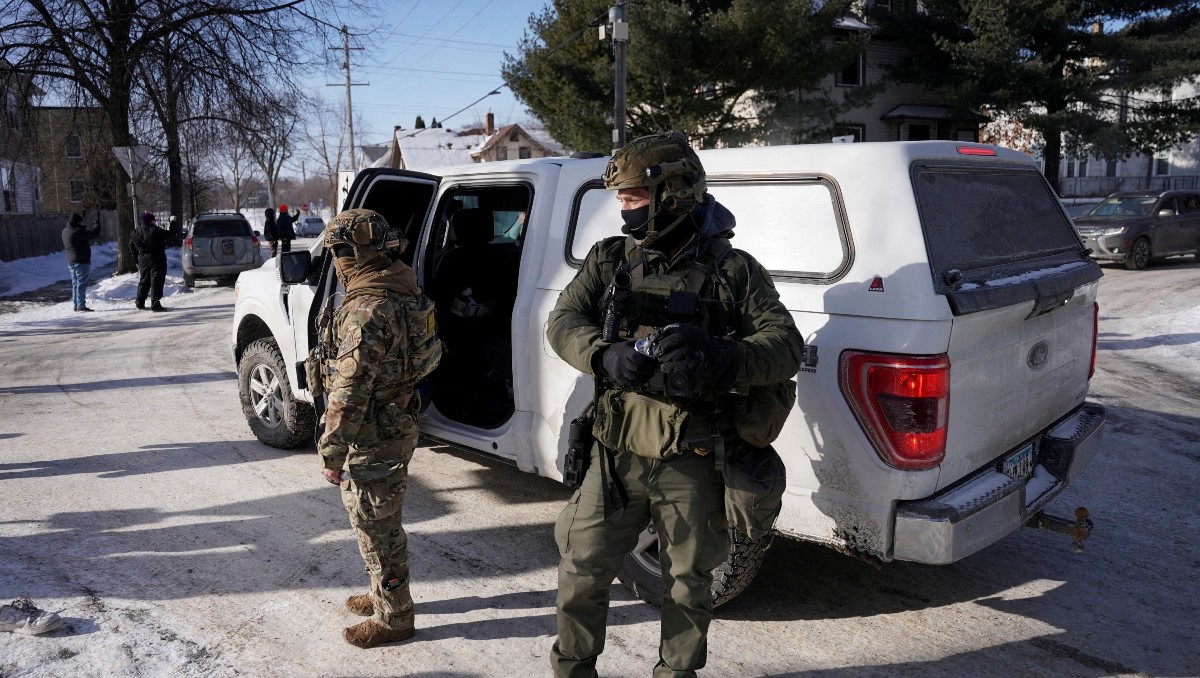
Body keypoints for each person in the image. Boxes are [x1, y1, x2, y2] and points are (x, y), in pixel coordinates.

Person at [546, 131, 804, 677]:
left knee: (687, 585)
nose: (624, 209)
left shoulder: (735, 272)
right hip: (613, 456)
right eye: (620, 197)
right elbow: (563, 321)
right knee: (581, 569)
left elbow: (785, 346)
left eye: (634, 197)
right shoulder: (610, 260)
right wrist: (603, 356)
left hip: (693, 456)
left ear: (675, 195)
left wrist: (722, 355)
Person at [313, 208, 442, 649]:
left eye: (338, 254)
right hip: (397, 420)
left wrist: (331, 451)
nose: (336, 264)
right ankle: (381, 593)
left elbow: (348, 391)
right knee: (380, 518)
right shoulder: (404, 290)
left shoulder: (367, 311)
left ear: (355, 253)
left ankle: (394, 618)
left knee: (376, 526)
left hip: (372, 433)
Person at [61, 212, 102, 312]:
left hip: (71, 260)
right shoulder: (77, 232)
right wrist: (97, 226)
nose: (81, 224)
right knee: (81, 284)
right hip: (81, 260)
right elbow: (93, 234)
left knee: (75, 284)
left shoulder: (65, 231)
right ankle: (81, 305)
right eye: (80, 222)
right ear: (77, 222)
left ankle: (76, 305)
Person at [130, 211, 168, 311]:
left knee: (144, 280)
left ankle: (140, 302)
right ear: (151, 221)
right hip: (157, 257)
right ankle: (155, 304)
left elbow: (132, 246)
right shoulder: (156, 230)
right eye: (154, 220)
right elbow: (170, 234)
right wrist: (173, 223)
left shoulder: (135, 232)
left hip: (142, 258)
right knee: (157, 280)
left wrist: (136, 260)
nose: (155, 222)